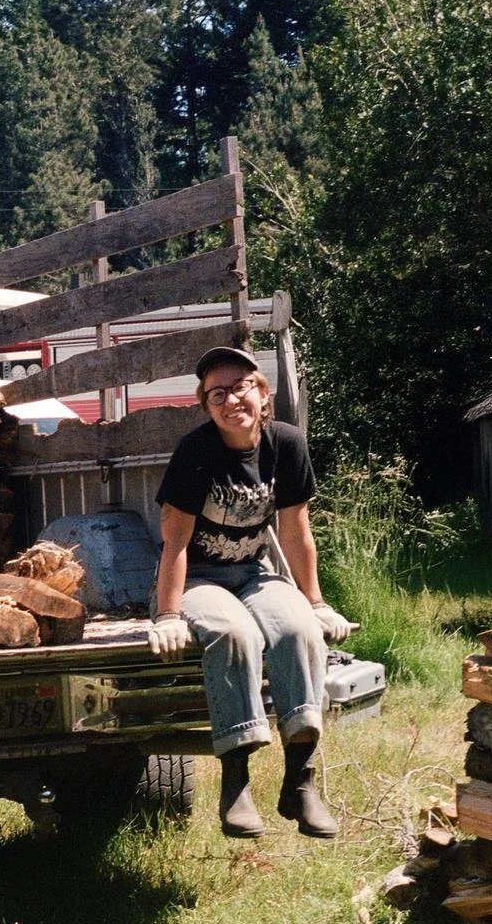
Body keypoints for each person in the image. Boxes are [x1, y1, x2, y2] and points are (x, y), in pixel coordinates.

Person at [147, 346, 358, 840]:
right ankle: (236, 782)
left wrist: (317, 602)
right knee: (232, 632)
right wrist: (168, 614)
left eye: (240, 387)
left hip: (254, 573)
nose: (230, 400)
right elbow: (175, 538)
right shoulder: (196, 452)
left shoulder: (286, 443)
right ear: (206, 406)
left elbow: (296, 532)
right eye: (216, 394)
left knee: (301, 631)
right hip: (200, 576)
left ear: (263, 394)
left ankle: (300, 784)